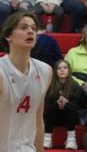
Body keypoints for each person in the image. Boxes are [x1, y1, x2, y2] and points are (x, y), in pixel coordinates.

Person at [0, 11, 52, 152]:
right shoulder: (1, 71)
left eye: (33, 28)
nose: (30, 31)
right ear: (8, 36)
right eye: (23, 27)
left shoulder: (45, 71)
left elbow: (38, 120)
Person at [43, 59, 84, 150]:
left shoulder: (75, 85)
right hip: (54, 117)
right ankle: (47, 139)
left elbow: (78, 105)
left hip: (70, 118)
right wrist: (57, 103)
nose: (62, 70)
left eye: (65, 68)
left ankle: (71, 139)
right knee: (51, 107)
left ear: (69, 70)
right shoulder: (50, 85)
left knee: (70, 106)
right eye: (59, 68)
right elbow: (46, 105)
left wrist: (67, 102)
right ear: (55, 71)